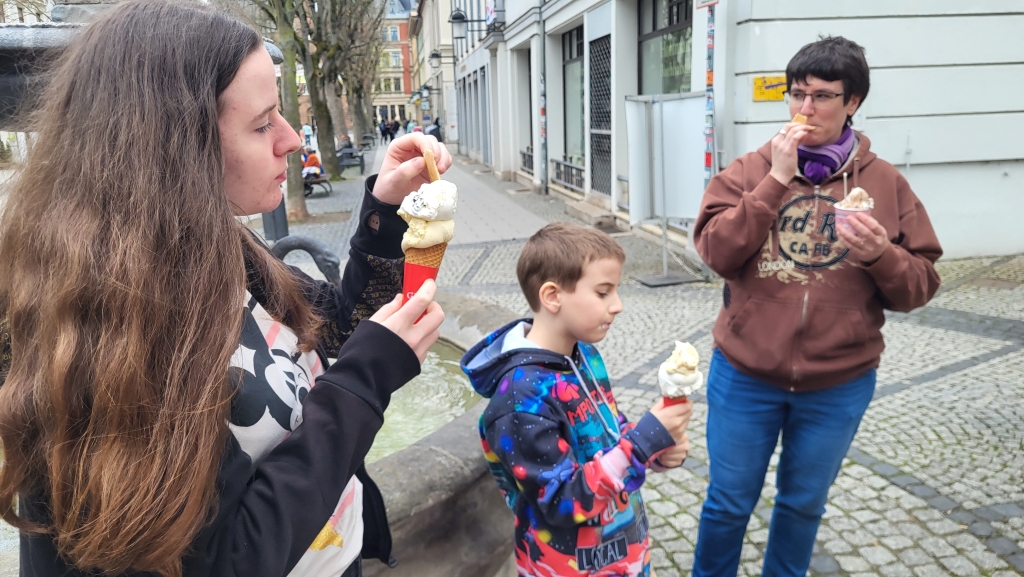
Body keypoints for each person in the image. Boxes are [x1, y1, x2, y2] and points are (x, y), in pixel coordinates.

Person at [0, 2, 454, 576]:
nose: (292, 141)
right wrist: (362, 384)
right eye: (263, 124)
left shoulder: (217, 247)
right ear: (174, 150)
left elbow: (337, 330)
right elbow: (225, 561)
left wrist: (384, 211)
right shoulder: (108, 331)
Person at [691, 36, 942, 577]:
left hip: (838, 383)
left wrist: (882, 256)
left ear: (852, 102)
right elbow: (715, 250)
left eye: (823, 96)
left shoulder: (885, 183)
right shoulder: (751, 167)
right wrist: (776, 180)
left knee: (803, 505)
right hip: (745, 374)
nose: (805, 109)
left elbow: (920, 285)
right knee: (728, 503)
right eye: (796, 93)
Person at [461, 223, 693, 577]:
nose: (618, 305)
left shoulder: (582, 354)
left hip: (625, 554)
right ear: (553, 296)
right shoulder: (520, 401)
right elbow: (563, 499)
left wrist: (657, 451)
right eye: (603, 293)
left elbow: (609, 433)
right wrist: (642, 444)